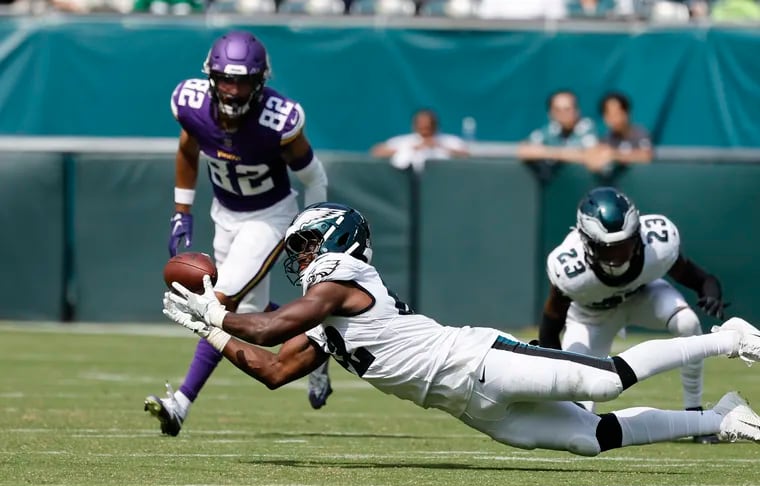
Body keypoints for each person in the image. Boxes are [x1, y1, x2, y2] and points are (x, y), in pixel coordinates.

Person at [162, 202, 760, 456]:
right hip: (470, 407)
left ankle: (728, 337)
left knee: (603, 384)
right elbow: (271, 368)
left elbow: (270, 326)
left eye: (307, 244)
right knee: (590, 439)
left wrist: (217, 310)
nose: (300, 257)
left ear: (337, 242)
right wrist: (210, 331)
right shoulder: (329, 314)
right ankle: (722, 418)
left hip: (475, 360)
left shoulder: (342, 275)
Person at [144, 30, 332, 437]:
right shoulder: (191, 104)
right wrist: (182, 211)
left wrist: (312, 231)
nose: (232, 89)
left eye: (242, 80)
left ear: (259, 80)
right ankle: (317, 341)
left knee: (218, 301)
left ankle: (181, 403)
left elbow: (314, 177)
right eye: (226, 79)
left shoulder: (276, 120)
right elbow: (187, 151)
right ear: (211, 76)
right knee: (247, 316)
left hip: (270, 218)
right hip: (225, 214)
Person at [539, 186, 726, 443]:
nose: (618, 256)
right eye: (608, 248)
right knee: (581, 411)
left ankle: (695, 414)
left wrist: (711, 294)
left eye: (624, 245)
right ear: (587, 241)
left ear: (638, 234)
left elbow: (702, 279)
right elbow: (550, 326)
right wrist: (558, 370)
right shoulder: (570, 269)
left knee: (687, 322)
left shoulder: (657, 244)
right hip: (591, 317)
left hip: (643, 296)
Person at [517, 90, 599, 179]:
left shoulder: (587, 127)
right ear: (550, 113)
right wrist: (564, 154)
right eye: (557, 110)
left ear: (577, 110)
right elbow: (523, 150)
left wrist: (548, 152)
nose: (563, 114)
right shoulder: (551, 129)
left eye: (567, 109)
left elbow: (592, 158)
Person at [370, 109, 469, 172]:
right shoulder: (406, 141)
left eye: (429, 127)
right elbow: (377, 151)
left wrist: (440, 146)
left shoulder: (448, 140)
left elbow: (466, 154)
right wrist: (411, 148)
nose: (425, 130)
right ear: (415, 126)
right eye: (422, 127)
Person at [584, 92, 653, 174]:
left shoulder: (640, 133)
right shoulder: (606, 138)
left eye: (617, 113)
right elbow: (593, 161)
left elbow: (646, 157)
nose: (613, 119)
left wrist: (614, 155)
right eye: (609, 115)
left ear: (626, 113)